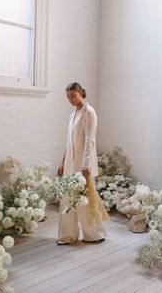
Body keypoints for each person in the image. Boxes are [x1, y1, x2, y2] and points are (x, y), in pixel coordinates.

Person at [57, 82, 107, 245]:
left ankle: (93, 234)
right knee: (67, 198)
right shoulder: (72, 116)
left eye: (73, 96)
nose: (70, 99)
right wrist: (63, 162)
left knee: (85, 200)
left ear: (81, 93)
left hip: (83, 165)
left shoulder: (89, 112)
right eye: (68, 97)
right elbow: (68, 143)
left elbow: (90, 140)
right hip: (70, 164)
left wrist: (86, 165)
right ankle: (68, 235)